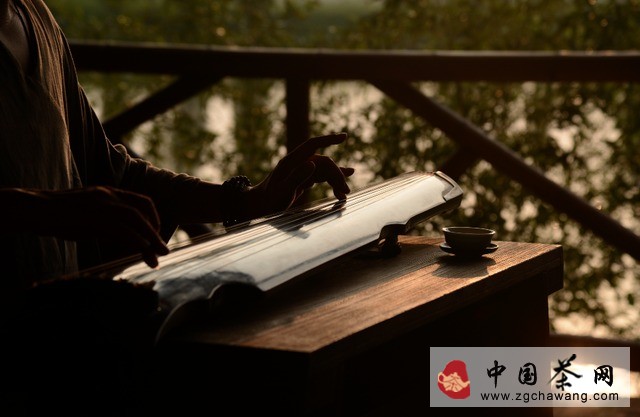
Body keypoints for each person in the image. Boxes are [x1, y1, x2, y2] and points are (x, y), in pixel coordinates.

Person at [0, 0, 354, 414]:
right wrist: (38, 209)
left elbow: (114, 174)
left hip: (62, 345)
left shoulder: (36, 16)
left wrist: (247, 199)